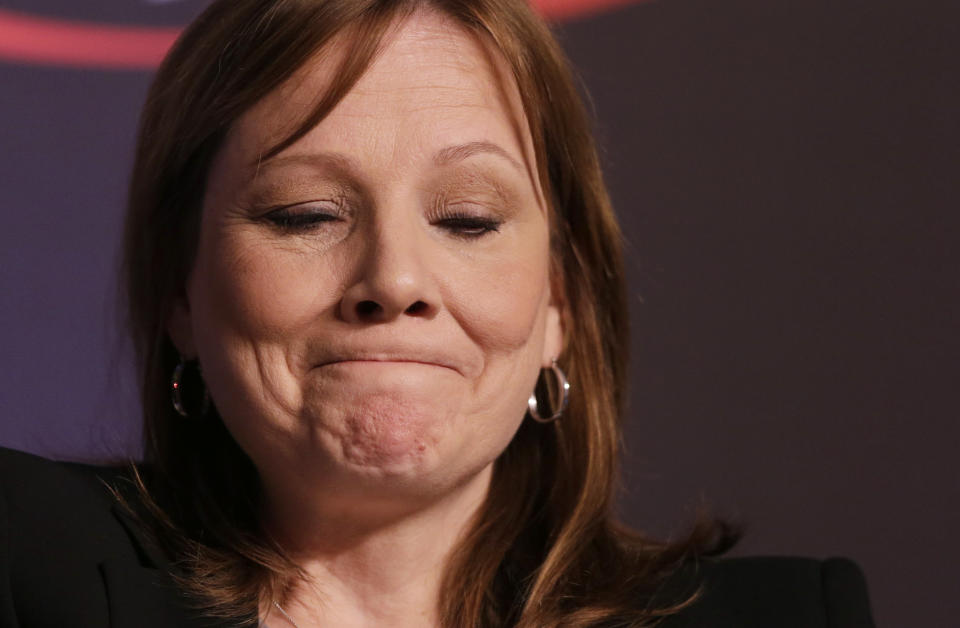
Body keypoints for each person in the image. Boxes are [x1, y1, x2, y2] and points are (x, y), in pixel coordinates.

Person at [0, 0, 875, 626]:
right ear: (179, 293)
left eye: (468, 219)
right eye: (304, 215)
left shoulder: (796, 614)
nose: (394, 277)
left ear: (559, 304)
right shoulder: (27, 561)